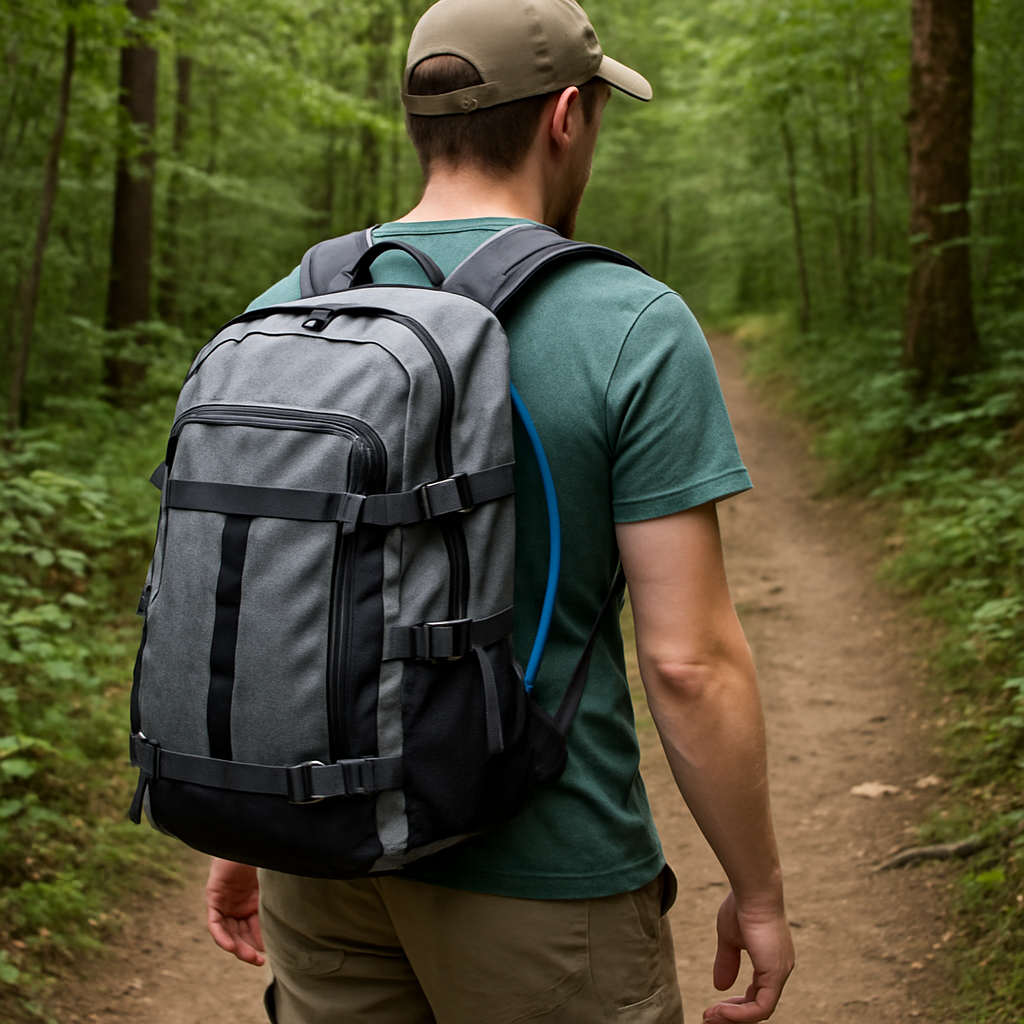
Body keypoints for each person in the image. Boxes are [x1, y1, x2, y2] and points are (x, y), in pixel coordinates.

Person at [205, 1, 794, 1021]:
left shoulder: (286, 303)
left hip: (321, 857)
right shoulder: (630, 325)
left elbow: (271, 591)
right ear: (568, 115)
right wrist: (760, 892)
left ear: (418, 122)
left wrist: (245, 827)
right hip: (544, 877)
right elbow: (687, 661)